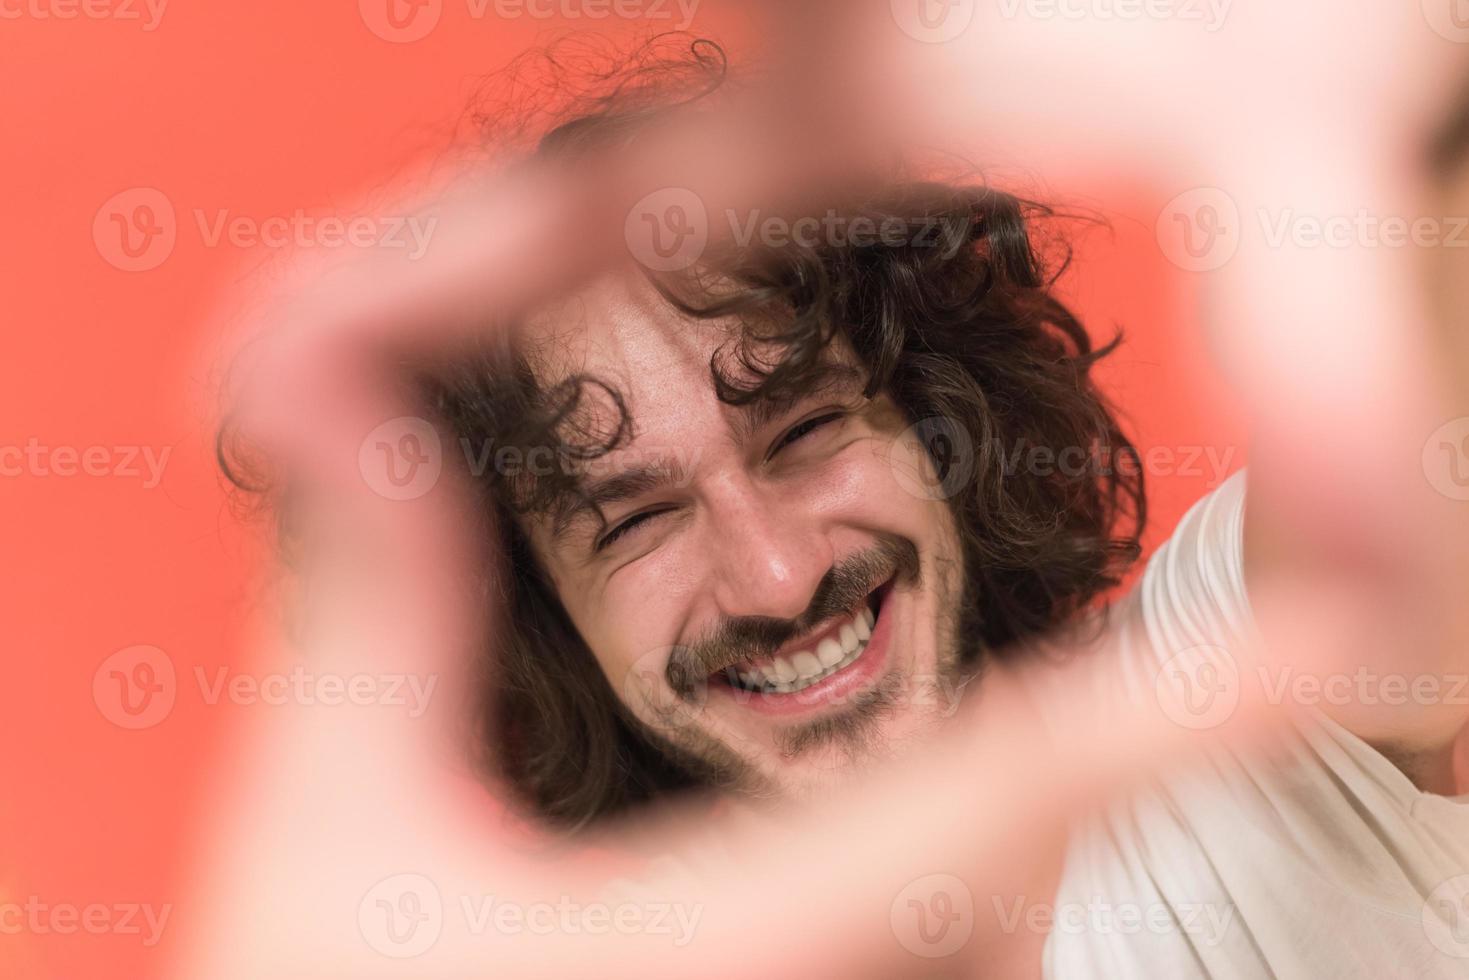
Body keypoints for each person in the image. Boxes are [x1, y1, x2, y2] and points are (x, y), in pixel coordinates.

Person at [197, 11, 1469, 978]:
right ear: (539, 625)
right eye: (636, 518)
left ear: (933, 422)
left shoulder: (1236, 718)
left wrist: (1365, 116)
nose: (775, 574)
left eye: (802, 428)